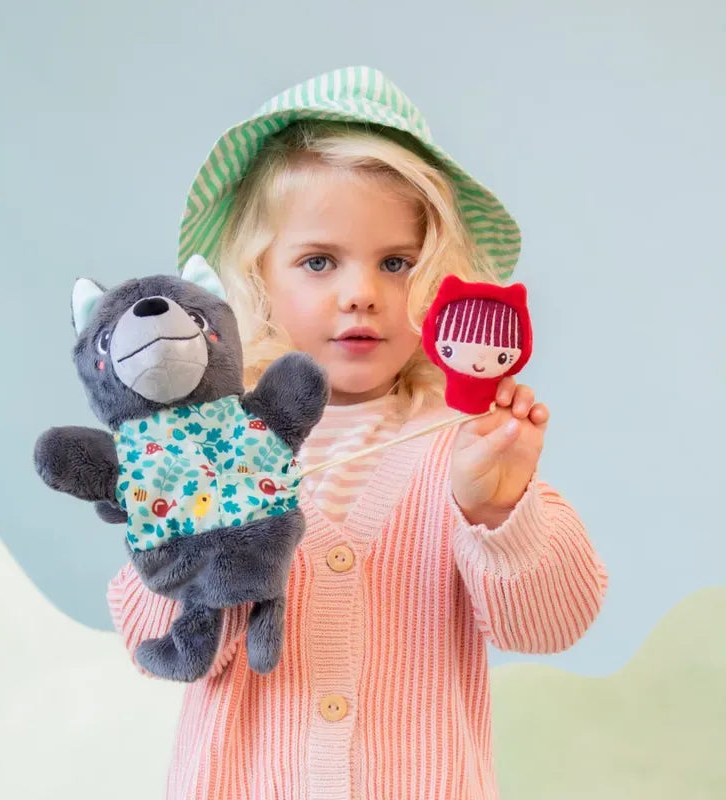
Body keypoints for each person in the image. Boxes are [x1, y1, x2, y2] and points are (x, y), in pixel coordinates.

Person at [107, 65, 609, 800]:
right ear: (258, 279)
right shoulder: (212, 446)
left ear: (443, 282)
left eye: (397, 263)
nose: (362, 293)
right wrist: (198, 518)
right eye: (318, 261)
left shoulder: (464, 445)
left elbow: (551, 624)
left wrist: (497, 510)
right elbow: (157, 644)